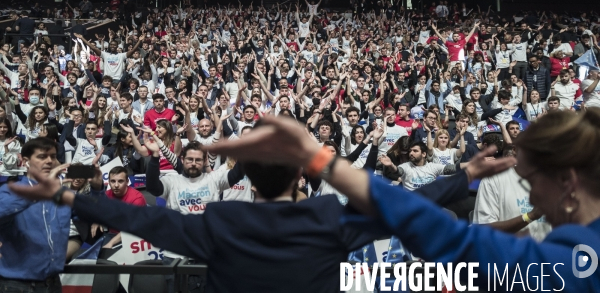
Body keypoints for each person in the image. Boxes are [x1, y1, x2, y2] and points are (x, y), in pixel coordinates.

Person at [11, 119, 510, 293]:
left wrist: (67, 193)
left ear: (244, 174)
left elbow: (138, 217)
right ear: (301, 171)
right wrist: (464, 174)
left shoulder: (222, 221)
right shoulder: (328, 217)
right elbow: (407, 205)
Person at [0, 138, 70, 292]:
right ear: (26, 161)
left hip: (52, 283)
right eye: (42, 156)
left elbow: (95, 215)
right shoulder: (9, 190)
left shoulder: (63, 194)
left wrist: (96, 188)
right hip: (17, 285)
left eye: (52, 156)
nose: (49, 161)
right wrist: (37, 194)